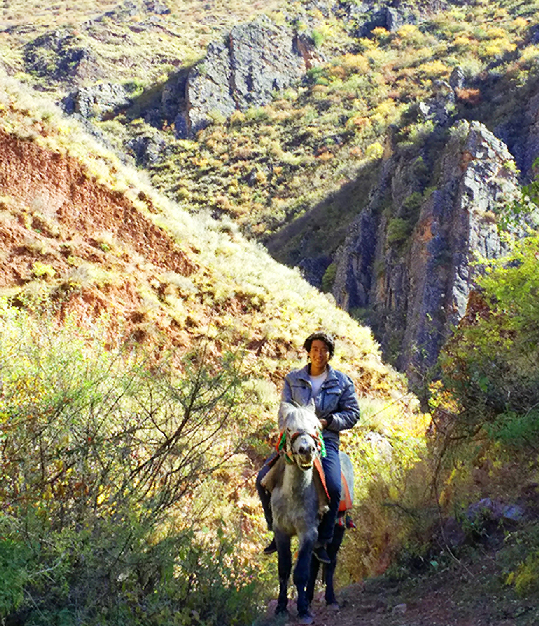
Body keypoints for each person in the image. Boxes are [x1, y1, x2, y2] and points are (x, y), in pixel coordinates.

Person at [256, 331, 360, 563]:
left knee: (334, 488)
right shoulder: (293, 379)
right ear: (308, 351)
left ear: (330, 354)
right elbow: (284, 410)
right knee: (262, 480)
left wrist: (328, 422)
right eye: (314, 349)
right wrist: (291, 431)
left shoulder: (342, 382)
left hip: (325, 441)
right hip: (294, 441)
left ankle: (323, 538)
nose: (319, 354)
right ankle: (275, 528)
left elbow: (353, 414)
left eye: (324, 350)